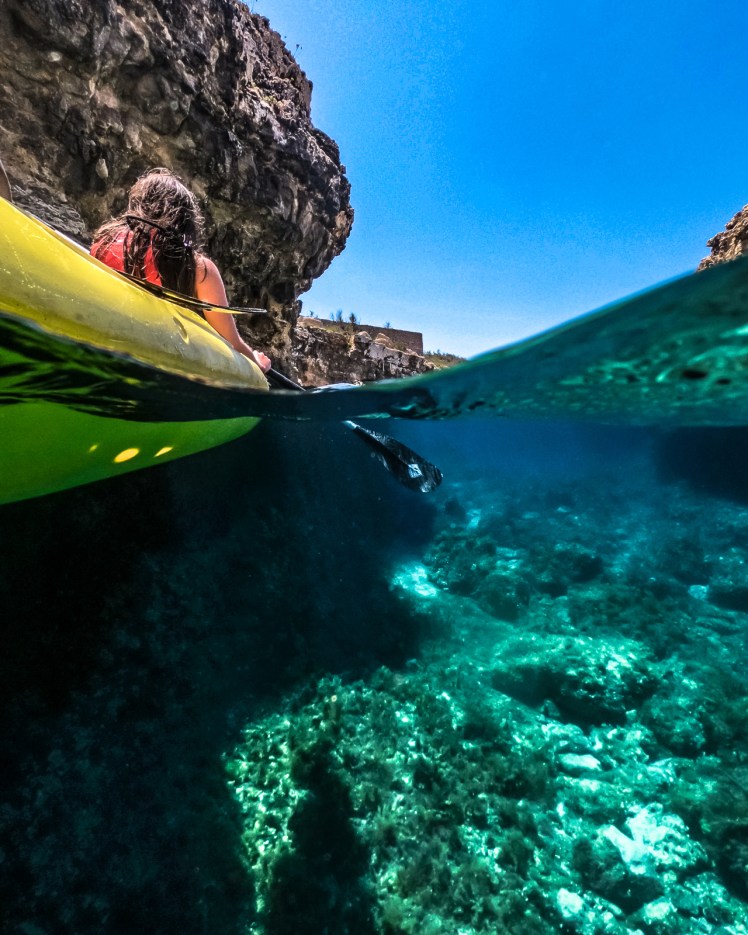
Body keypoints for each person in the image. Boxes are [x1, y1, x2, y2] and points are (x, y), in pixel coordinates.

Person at [91, 167, 271, 373]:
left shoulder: (104, 242)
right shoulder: (199, 270)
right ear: (185, 219)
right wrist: (257, 363)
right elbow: (231, 342)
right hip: (155, 365)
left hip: (102, 346)